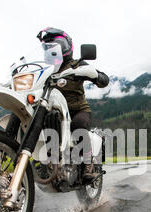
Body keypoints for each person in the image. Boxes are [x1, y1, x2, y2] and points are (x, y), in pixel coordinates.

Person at [37, 27, 109, 180]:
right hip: (54, 111)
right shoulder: (46, 70)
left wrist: (94, 75)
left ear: (68, 47)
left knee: (78, 125)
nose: (53, 50)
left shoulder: (77, 64)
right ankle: (43, 160)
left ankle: (87, 166)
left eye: (58, 45)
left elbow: (103, 80)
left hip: (78, 110)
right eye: (48, 47)